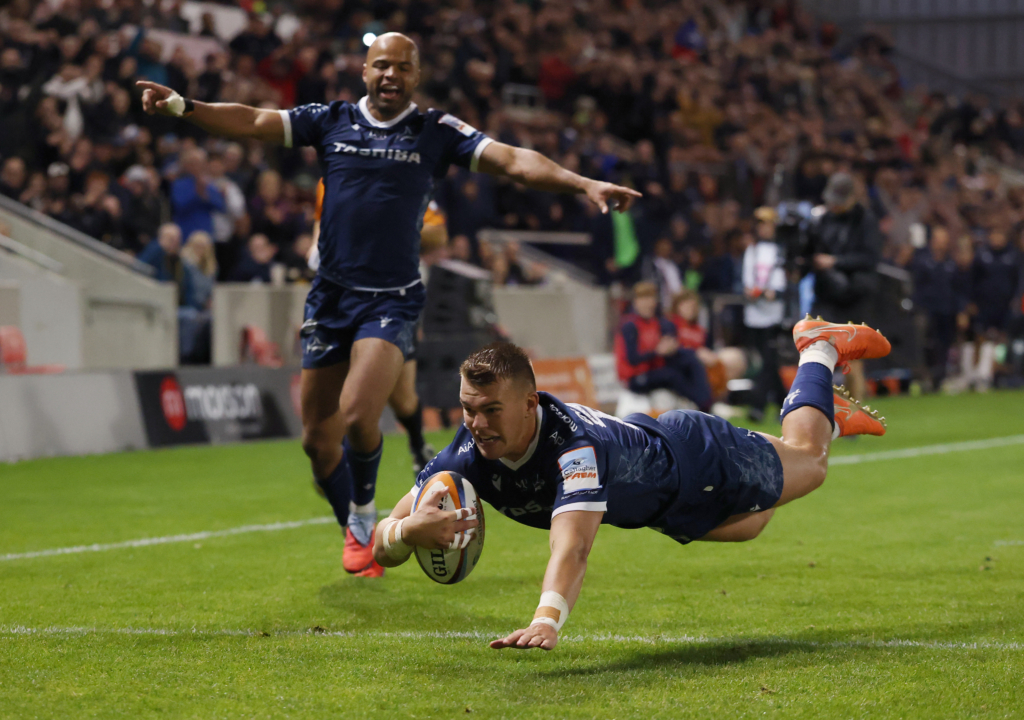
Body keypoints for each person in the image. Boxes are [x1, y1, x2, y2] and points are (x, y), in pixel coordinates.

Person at [137, 32, 640, 578]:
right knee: (316, 441)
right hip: (330, 296)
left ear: (416, 75)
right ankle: (352, 527)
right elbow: (255, 120)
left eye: (402, 66)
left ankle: (363, 514)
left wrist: (582, 184)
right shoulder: (330, 120)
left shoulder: (435, 131)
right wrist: (185, 106)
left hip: (392, 300)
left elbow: (513, 160)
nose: (390, 75)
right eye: (381, 65)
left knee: (358, 412)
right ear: (365, 70)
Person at [372, 324, 889, 651]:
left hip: (694, 459)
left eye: (491, 410)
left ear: (530, 404)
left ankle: (817, 348)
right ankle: (826, 411)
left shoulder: (573, 449)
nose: (477, 424)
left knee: (809, 462)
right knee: (753, 523)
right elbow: (382, 539)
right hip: (660, 506)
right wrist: (406, 531)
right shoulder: (463, 456)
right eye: (468, 409)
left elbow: (572, 546)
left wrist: (546, 619)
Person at [309, 177, 438, 476]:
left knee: (402, 399)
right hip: (341, 299)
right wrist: (316, 247)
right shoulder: (330, 178)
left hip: (393, 300)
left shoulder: (405, 174)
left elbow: (437, 233)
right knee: (345, 380)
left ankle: (418, 444)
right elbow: (320, 223)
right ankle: (341, 460)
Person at [807, 172, 882, 401]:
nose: (834, 205)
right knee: (819, 350)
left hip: (855, 294)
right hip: (827, 293)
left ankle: (854, 409)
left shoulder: (865, 220)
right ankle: (821, 405)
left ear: (851, 198)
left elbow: (870, 259)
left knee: (852, 358)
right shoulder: (822, 220)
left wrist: (835, 262)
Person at [615, 281, 713, 412]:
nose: (649, 303)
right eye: (644, 299)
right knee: (671, 375)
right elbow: (632, 359)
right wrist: (657, 352)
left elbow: (665, 346)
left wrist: (672, 348)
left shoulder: (656, 323)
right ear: (636, 302)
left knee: (690, 359)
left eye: (651, 299)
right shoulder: (630, 325)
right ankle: (702, 404)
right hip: (636, 377)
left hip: (653, 370)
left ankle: (707, 400)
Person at [742, 209, 788, 420]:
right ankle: (784, 404)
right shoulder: (751, 250)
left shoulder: (780, 250)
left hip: (774, 314)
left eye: (767, 224)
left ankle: (757, 405)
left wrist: (775, 293)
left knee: (768, 360)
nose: (764, 228)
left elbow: (785, 282)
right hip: (754, 314)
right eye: (761, 224)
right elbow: (746, 279)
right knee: (768, 363)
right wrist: (751, 291)